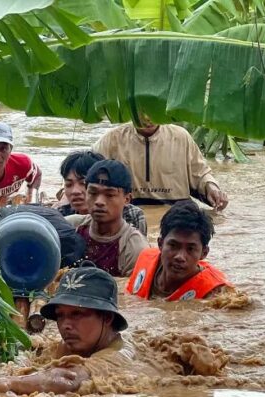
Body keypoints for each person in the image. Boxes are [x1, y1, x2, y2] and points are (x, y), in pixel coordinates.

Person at [0, 266, 132, 395]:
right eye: (60, 315)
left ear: (107, 318)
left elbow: (69, 380)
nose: (65, 325)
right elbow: (35, 353)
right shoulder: (71, 344)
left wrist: (6, 382)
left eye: (77, 314)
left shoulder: (115, 357)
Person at [93, 116, 229, 211]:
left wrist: (212, 188)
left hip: (178, 210)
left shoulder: (181, 137)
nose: (147, 117)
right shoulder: (111, 139)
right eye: (142, 110)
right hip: (130, 210)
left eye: (153, 110)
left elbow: (201, 173)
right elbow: (87, 174)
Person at [126, 200, 231, 301]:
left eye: (190, 249)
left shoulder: (215, 292)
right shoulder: (145, 258)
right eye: (173, 245)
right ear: (160, 244)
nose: (180, 257)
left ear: (204, 253)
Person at [74, 159, 149, 277]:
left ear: (127, 199)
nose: (99, 202)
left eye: (109, 195)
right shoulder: (72, 227)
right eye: (93, 193)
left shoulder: (134, 248)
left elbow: (131, 294)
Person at [56, 150, 147, 235]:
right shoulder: (60, 217)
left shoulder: (132, 215)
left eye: (83, 183)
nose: (75, 191)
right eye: (68, 184)